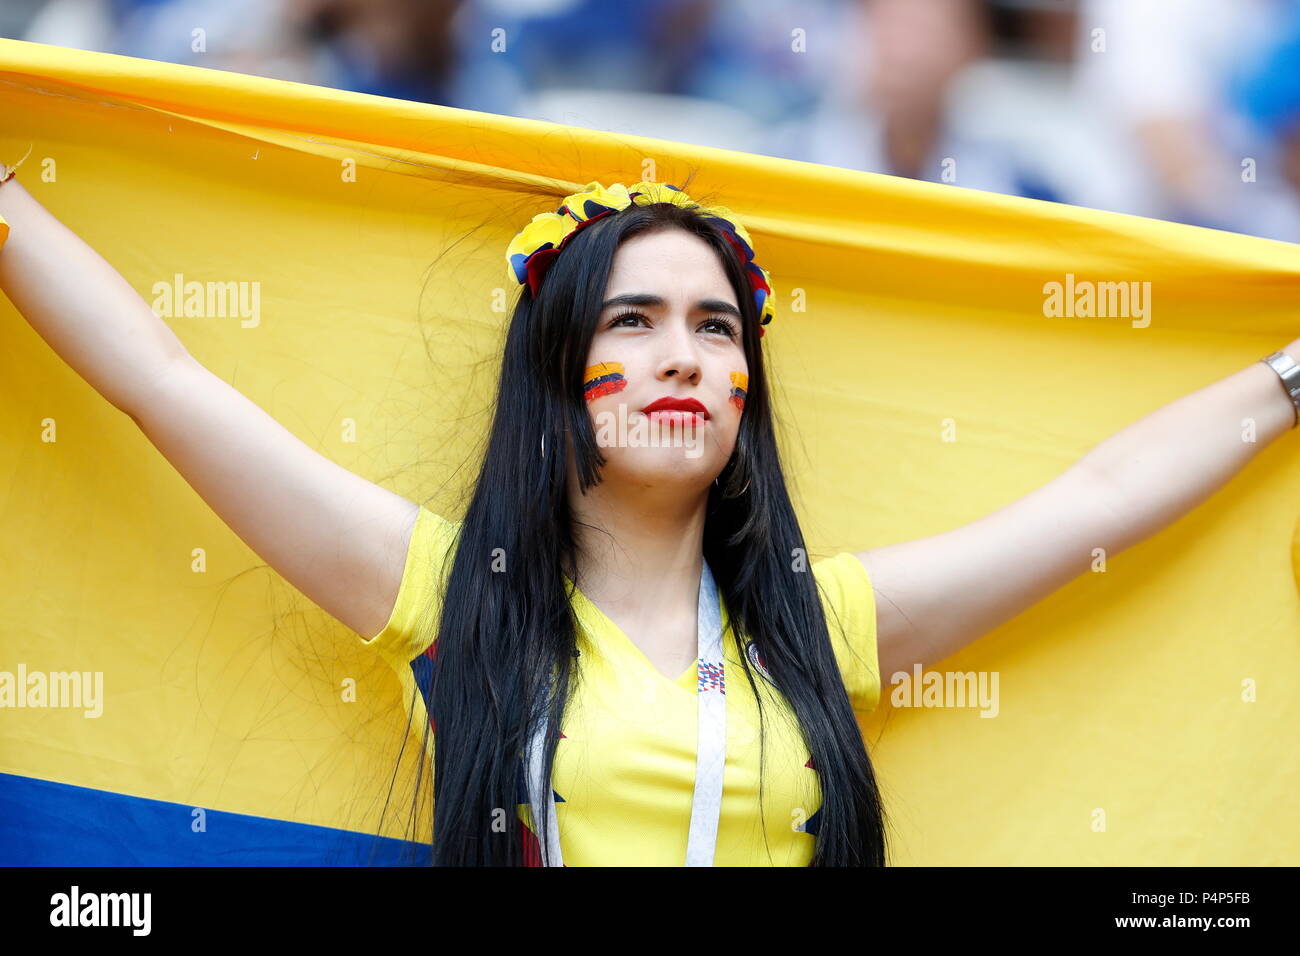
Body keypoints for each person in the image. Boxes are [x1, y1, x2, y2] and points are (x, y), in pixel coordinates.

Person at [2, 155, 1298, 865]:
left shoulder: (821, 625)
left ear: (747, 388)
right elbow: (162, 386)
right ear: (557, 372)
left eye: (716, 327)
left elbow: (1104, 498)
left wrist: (1291, 377)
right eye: (635, 319)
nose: (683, 356)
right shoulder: (450, 592)